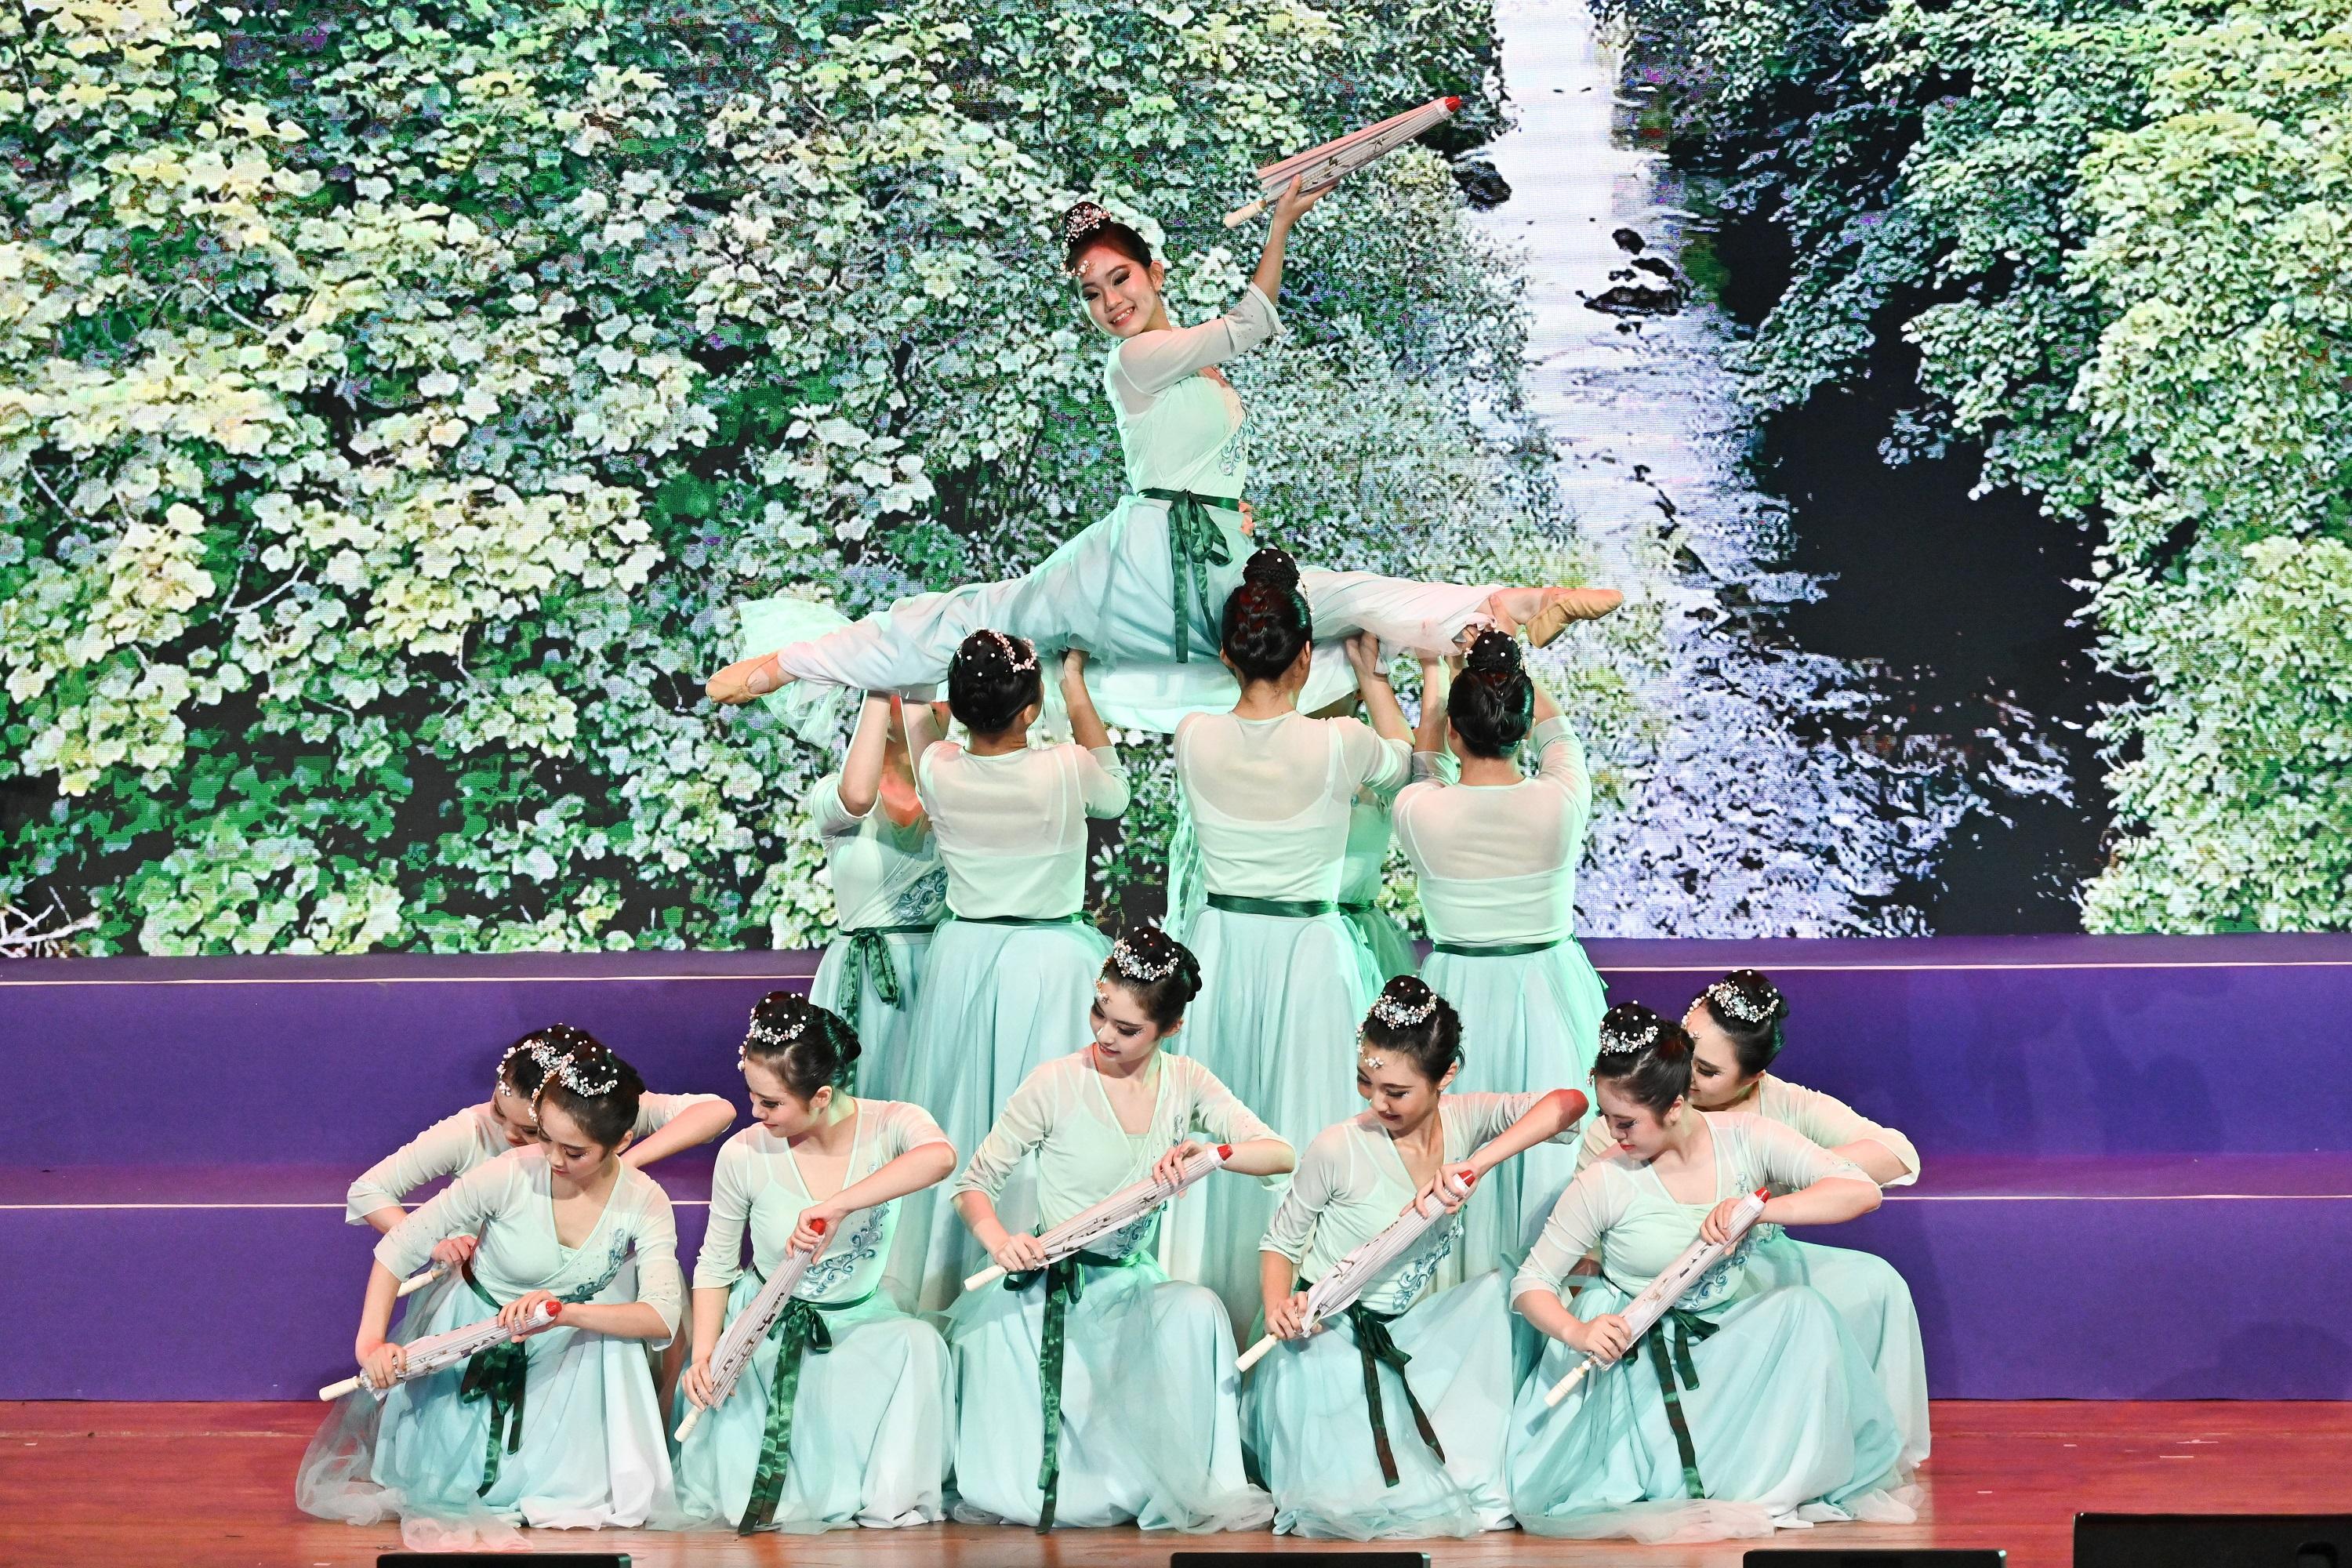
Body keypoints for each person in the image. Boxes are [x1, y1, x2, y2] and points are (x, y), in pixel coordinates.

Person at [703, 183, 1619, 728]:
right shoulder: (1135, 357)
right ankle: (791, 662)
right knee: (976, 619)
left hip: (1213, 551)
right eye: (1092, 290)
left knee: (1341, 602)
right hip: (1134, 558)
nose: (1109, 300)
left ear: (1153, 274)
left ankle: (1504, 611)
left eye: (1121, 280)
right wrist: (1283, 222)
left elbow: (1219, 408)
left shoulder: (1181, 362)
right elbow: (1253, 325)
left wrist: (1233, 506)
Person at [1506, 1004, 1914, 1542]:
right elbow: (1530, 1282)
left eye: (1625, 1121)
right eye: (1607, 1117)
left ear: (1675, 1107)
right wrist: (1578, 1331)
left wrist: (1760, 1209)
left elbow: (1861, 1191)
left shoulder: (1746, 1137)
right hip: (1638, 1352)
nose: (1612, 1133)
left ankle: (1770, 1481)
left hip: (1723, 1335)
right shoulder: (1607, 1179)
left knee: (1804, 1312)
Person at [946, 927, 1294, 1531]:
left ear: (1170, 1030)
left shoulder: (1186, 1082)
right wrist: (1002, 1243)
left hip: (1130, 1285)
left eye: (1127, 1029)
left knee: (1199, 1309)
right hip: (1049, 1287)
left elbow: (1281, 1155)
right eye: (1099, 1013)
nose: (1104, 1035)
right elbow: (970, 1185)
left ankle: (1180, 1481)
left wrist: (1211, 1152)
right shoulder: (1056, 1081)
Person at [298, 1033, 686, 1544]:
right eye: (544, 1137)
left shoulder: (645, 1200)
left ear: (621, 1143)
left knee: (583, 1504)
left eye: (574, 1151)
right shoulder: (507, 1174)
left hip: (573, 1356)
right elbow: (399, 1247)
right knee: (453, 1494)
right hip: (474, 1337)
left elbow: (661, 1315)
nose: (550, 1158)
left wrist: (564, 1313)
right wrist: (370, 1343)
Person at [1160, 550, 1414, 1331]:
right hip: (1307, 950)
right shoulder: (1339, 746)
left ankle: (1212, 1304)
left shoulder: (1192, 734)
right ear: (1307, 656)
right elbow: (1405, 761)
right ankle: (1314, 1307)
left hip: (1224, 950)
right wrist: (1371, 678)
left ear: (1228, 655)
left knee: (1225, 1126)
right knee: (1306, 1130)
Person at [1249, 976, 1588, 1538]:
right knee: (1341, 1497)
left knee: (1496, 1299)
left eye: (1397, 1092)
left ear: (1445, 1077)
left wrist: (1477, 1163)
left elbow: (1571, 1104)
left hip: (1408, 1328)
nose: (1377, 1102)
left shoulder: (1465, 1119)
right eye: (1367, 1083)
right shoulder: (1338, 1146)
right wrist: (1276, 1304)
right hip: (1326, 1327)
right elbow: (1281, 1243)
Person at [1577, 969, 1929, 1472]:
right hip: (1655, 1270)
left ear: (1752, 1078)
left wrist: (1776, 1184)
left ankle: (1851, 1452)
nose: (1685, 1075)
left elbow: (1897, 1155)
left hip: (1751, 1255)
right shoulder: (1640, 1100)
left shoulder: (1779, 1106)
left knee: (1877, 1284)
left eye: (1707, 1071)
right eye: (1682, 1049)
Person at [885, 631, 1127, 1309]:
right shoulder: (1063, 767)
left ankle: (942, 1275)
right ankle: (1049, 1264)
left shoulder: (936, 764)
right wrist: (1075, 684)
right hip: (1049, 961)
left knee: (964, 1116)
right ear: (1030, 710)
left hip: (964, 958)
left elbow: (931, 717)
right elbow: (1116, 795)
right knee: (1049, 1126)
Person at [674, 993, 957, 1534]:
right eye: (752, 1097)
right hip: (767, 1324)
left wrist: (841, 1203)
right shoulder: (745, 1153)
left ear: (822, 1095)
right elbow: (714, 1264)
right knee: (745, 1503)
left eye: (771, 1104)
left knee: (920, 1344)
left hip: (859, 1320)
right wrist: (708, 1353)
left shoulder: (892, 1124)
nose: (756, 1114)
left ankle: (883, 1495)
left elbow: (939, 1157)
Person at [1395, 628, 1607, 1276]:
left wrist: (1441, 684)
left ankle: (1463, 1293)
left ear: (1456, 732)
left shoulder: (1419, 811)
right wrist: (1505, 659)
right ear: (1516, 726)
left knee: (1458, 1146)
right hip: (1547, 987)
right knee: (1551, 1153)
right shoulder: (1561, 801)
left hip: (1458, 990)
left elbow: (1421, 769)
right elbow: (1558, 733)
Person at [804, 694, 947, 1101]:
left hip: (938, 971)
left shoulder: (961, 797)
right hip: (862, 977)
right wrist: (879, 680)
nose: (935, 704)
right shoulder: (832, 793)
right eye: (915, 693)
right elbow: (858, 799)